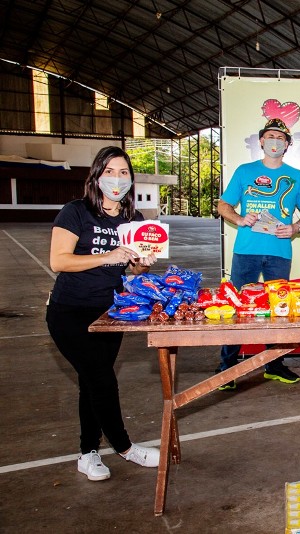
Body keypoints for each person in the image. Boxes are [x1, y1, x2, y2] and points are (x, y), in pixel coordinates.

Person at [46, 146, 161, 482]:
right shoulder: (75, 212)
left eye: (124, 172)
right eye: (109, 171)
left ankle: (87, 452)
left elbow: (131, 271)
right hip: (69, 312)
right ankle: (125, 447)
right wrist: (108, 256)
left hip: (111, 312)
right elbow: (60, 261)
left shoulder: (133, 220)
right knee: (101, 379)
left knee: (91, 382)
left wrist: (140, 263)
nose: (117, 178)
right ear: (96, 176)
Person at [216, 118, 300, 389]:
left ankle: (274, 364)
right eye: (270, 136)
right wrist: (238, 218)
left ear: (287, 144)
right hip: (246, 250)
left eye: (280, 138)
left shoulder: (296, 176)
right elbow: (223, 205)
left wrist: (295, 227)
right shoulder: (244, 171)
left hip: (279, 251)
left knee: (278, 309)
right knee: (236, 307)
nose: (274, 141)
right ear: (261, 140)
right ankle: (227, 367)